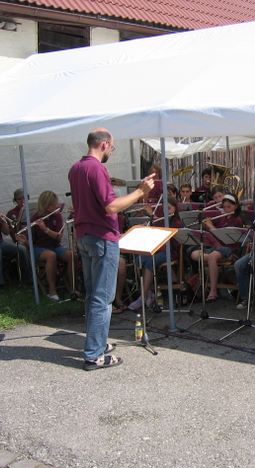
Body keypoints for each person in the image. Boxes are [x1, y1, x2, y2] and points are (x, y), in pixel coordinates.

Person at [68, 128, 154, 371]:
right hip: (102, 237)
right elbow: (112, 206)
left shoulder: (75, 168)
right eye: (112, 147)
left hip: (84, 236)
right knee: (103, 298)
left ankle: (97, 343)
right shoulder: (96, 169)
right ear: (104, 144)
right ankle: (94, 354)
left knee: (92, 294)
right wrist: (140, 192)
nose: (111, 152)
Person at [128, 197, 184, 311]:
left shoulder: (177, 222)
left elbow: (168, 234)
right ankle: (148, 293)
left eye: (169, 208)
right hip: (158, 250)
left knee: (150, 262)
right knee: (139, 260)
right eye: (164, 208)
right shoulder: (160, 220)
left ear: (175, 209)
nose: (166, 211)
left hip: (170, 252)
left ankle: (143, 297)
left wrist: (152, 216)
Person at [190, 193, 243, 302]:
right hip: (218, 247)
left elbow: (223, 237)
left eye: (229, 207)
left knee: (212, 256)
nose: (226, 209)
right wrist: (206, 224)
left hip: (230, 248)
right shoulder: (223, 218)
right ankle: (211, 263)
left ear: (236, 206)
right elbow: (213, 234)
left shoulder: (237, 220)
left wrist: (211, 226)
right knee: (194, 254)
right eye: (225, 207)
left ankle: (213, 291)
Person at [31, 191, 73, 301]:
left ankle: (73, 288)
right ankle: (52, 290)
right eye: (53, 205)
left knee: (71, 255)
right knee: (51, 256)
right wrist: (23, 239)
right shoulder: (35, 218)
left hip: (55, 246)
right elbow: (31, 241)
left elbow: (59, 237)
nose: (56, 206)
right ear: (46, 206)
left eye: (55, 204)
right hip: (39, 248)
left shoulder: (57, 216)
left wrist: (45, 229)